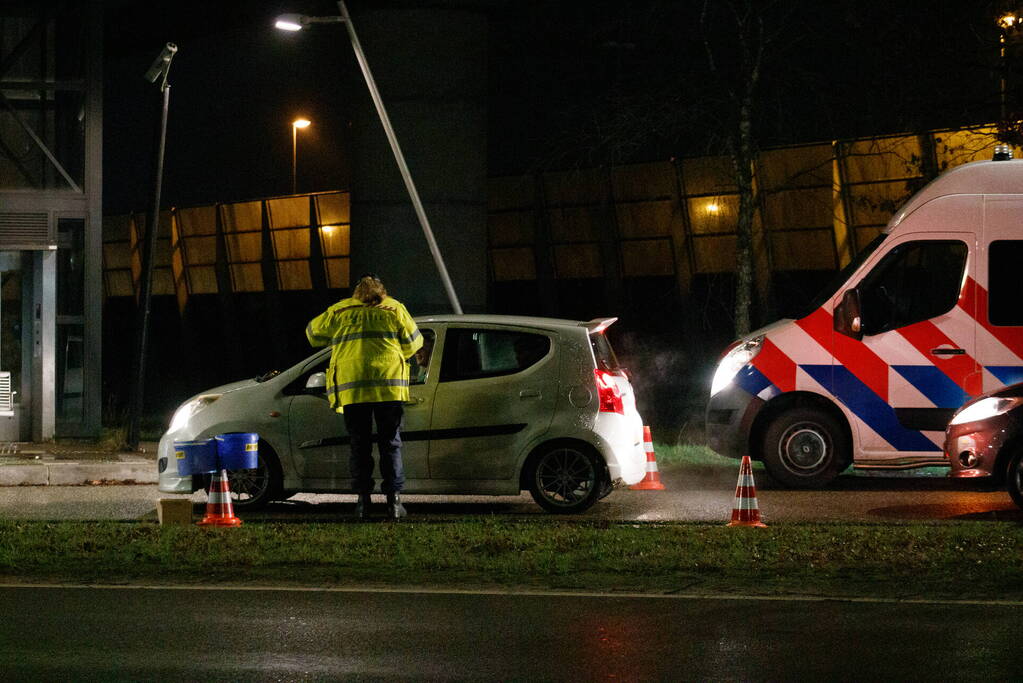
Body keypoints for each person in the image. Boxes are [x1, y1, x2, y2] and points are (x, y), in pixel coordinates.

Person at [306, 274, 423, 520]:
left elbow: (312, 334)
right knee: (390, 444)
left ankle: (363, 503)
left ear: (356, 293)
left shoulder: (340, 310)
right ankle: (394, 503)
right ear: (383, 291)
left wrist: (339, 337)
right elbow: (414, 344)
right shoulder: (395, 308)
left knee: (359, 446)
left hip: (354, 391)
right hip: (389, 389)